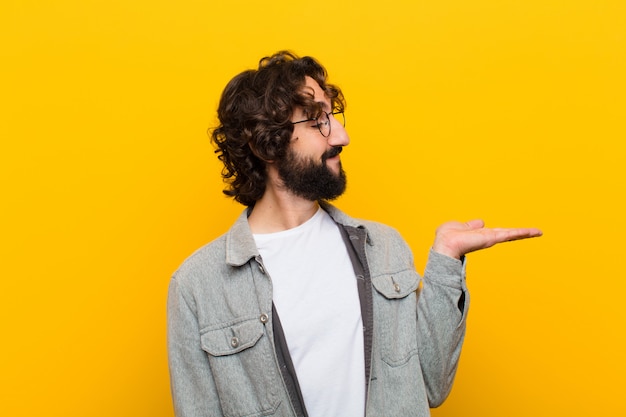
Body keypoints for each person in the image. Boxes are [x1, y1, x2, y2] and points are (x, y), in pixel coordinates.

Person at [167, 51, 542, 417]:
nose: (342, 136)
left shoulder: (384, 247)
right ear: (266, 143)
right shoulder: (197, 286)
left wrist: (446, 260)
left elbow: (431, 384)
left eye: (334, 116)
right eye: (317, 122)